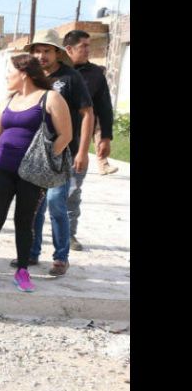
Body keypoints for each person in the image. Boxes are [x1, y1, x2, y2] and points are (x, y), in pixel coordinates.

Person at [0, 55, 72, 292]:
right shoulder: (8, 100)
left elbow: (66, 135)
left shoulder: (50, 97)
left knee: (24, 222)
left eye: (9, 72)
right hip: (1, 169)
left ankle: (22, 270)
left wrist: (42, 160)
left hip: (31, 175)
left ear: (23, 73)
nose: (6, 77)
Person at [25, 30, 94, 276]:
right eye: (37, 51)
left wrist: (83, 151)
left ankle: (60, 257)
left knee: (56, 203)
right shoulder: (30, 77)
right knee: (34, 205)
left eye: (47, 51)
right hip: (34, 153)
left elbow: (87, 113)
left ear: (57, 53)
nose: (41, 55)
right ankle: (31, 253)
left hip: (63, 152)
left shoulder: (70, 77)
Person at [64, 29, 118, 251]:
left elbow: (104, 106)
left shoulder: (95, 74)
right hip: (48, 141)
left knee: (73, 190)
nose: (88, 49)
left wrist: (105, 137)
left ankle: (68, 234)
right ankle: (31, 235)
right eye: (83, 46)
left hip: (79, 142)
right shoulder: (55, 70)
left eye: (88, 45)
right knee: (36, 193)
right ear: (68, 49)